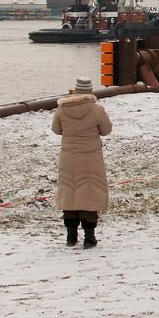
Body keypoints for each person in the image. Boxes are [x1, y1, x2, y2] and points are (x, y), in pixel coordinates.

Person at [52, 76, 112, 248]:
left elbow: (56, 129)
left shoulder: (62, 109)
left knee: (69, 193)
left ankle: (71, 236)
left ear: (76, 90)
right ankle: (89, 237)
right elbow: (106, 130)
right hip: (90, 157)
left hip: (68, 156)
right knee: (90, 194)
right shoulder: (97, 110)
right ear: (90, 90)